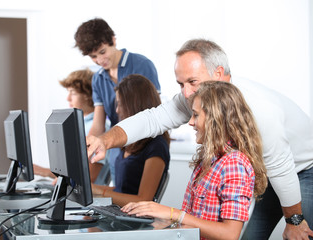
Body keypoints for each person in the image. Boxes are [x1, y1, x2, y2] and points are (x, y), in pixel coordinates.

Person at [87, 39, 313, 239]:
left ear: (219, 74)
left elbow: (281, 168)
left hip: (301, 169)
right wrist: (105, 140)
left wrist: (294, 221)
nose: (186, 93)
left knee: (299, 233)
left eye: (192, 81)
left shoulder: (259, 112)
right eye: (180, 84)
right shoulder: (198, 99)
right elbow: (153, 119)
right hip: (264, 170)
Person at [122, 81, 267, 239]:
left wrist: (174, 214)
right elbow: (195, 220)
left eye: (196, 115)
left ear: (215, 119)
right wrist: (161, 216)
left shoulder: (234, 163)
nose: (191, 122)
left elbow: (230, 234)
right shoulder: (212, 159)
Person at [74, 18, 161, 183]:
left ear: (113, 40)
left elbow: (157, 115)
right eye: (93, 57)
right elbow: (98, 125)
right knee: (118, 200)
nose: (100, 60)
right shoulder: (98, 79)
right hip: (117, 150)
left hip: (144, 148)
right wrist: (82, 151)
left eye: (102, 52)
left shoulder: (142, 65)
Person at [91, 74, 170, 207]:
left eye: (120, 104)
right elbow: (120, 191)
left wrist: (97, 190)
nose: (117, 110)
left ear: (134, 106)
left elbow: (143, 199)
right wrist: (90, 189)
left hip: (135, 221)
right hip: (119, 213)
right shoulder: (129, 143)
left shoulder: (156, 146)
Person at [33, 68, 109, 182]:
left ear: (89, 95)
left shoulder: (99, 129)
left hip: (92, 197)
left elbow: (90, 176)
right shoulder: (80, 125)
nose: (68, 98)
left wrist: (46, 172)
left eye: (73, 93)